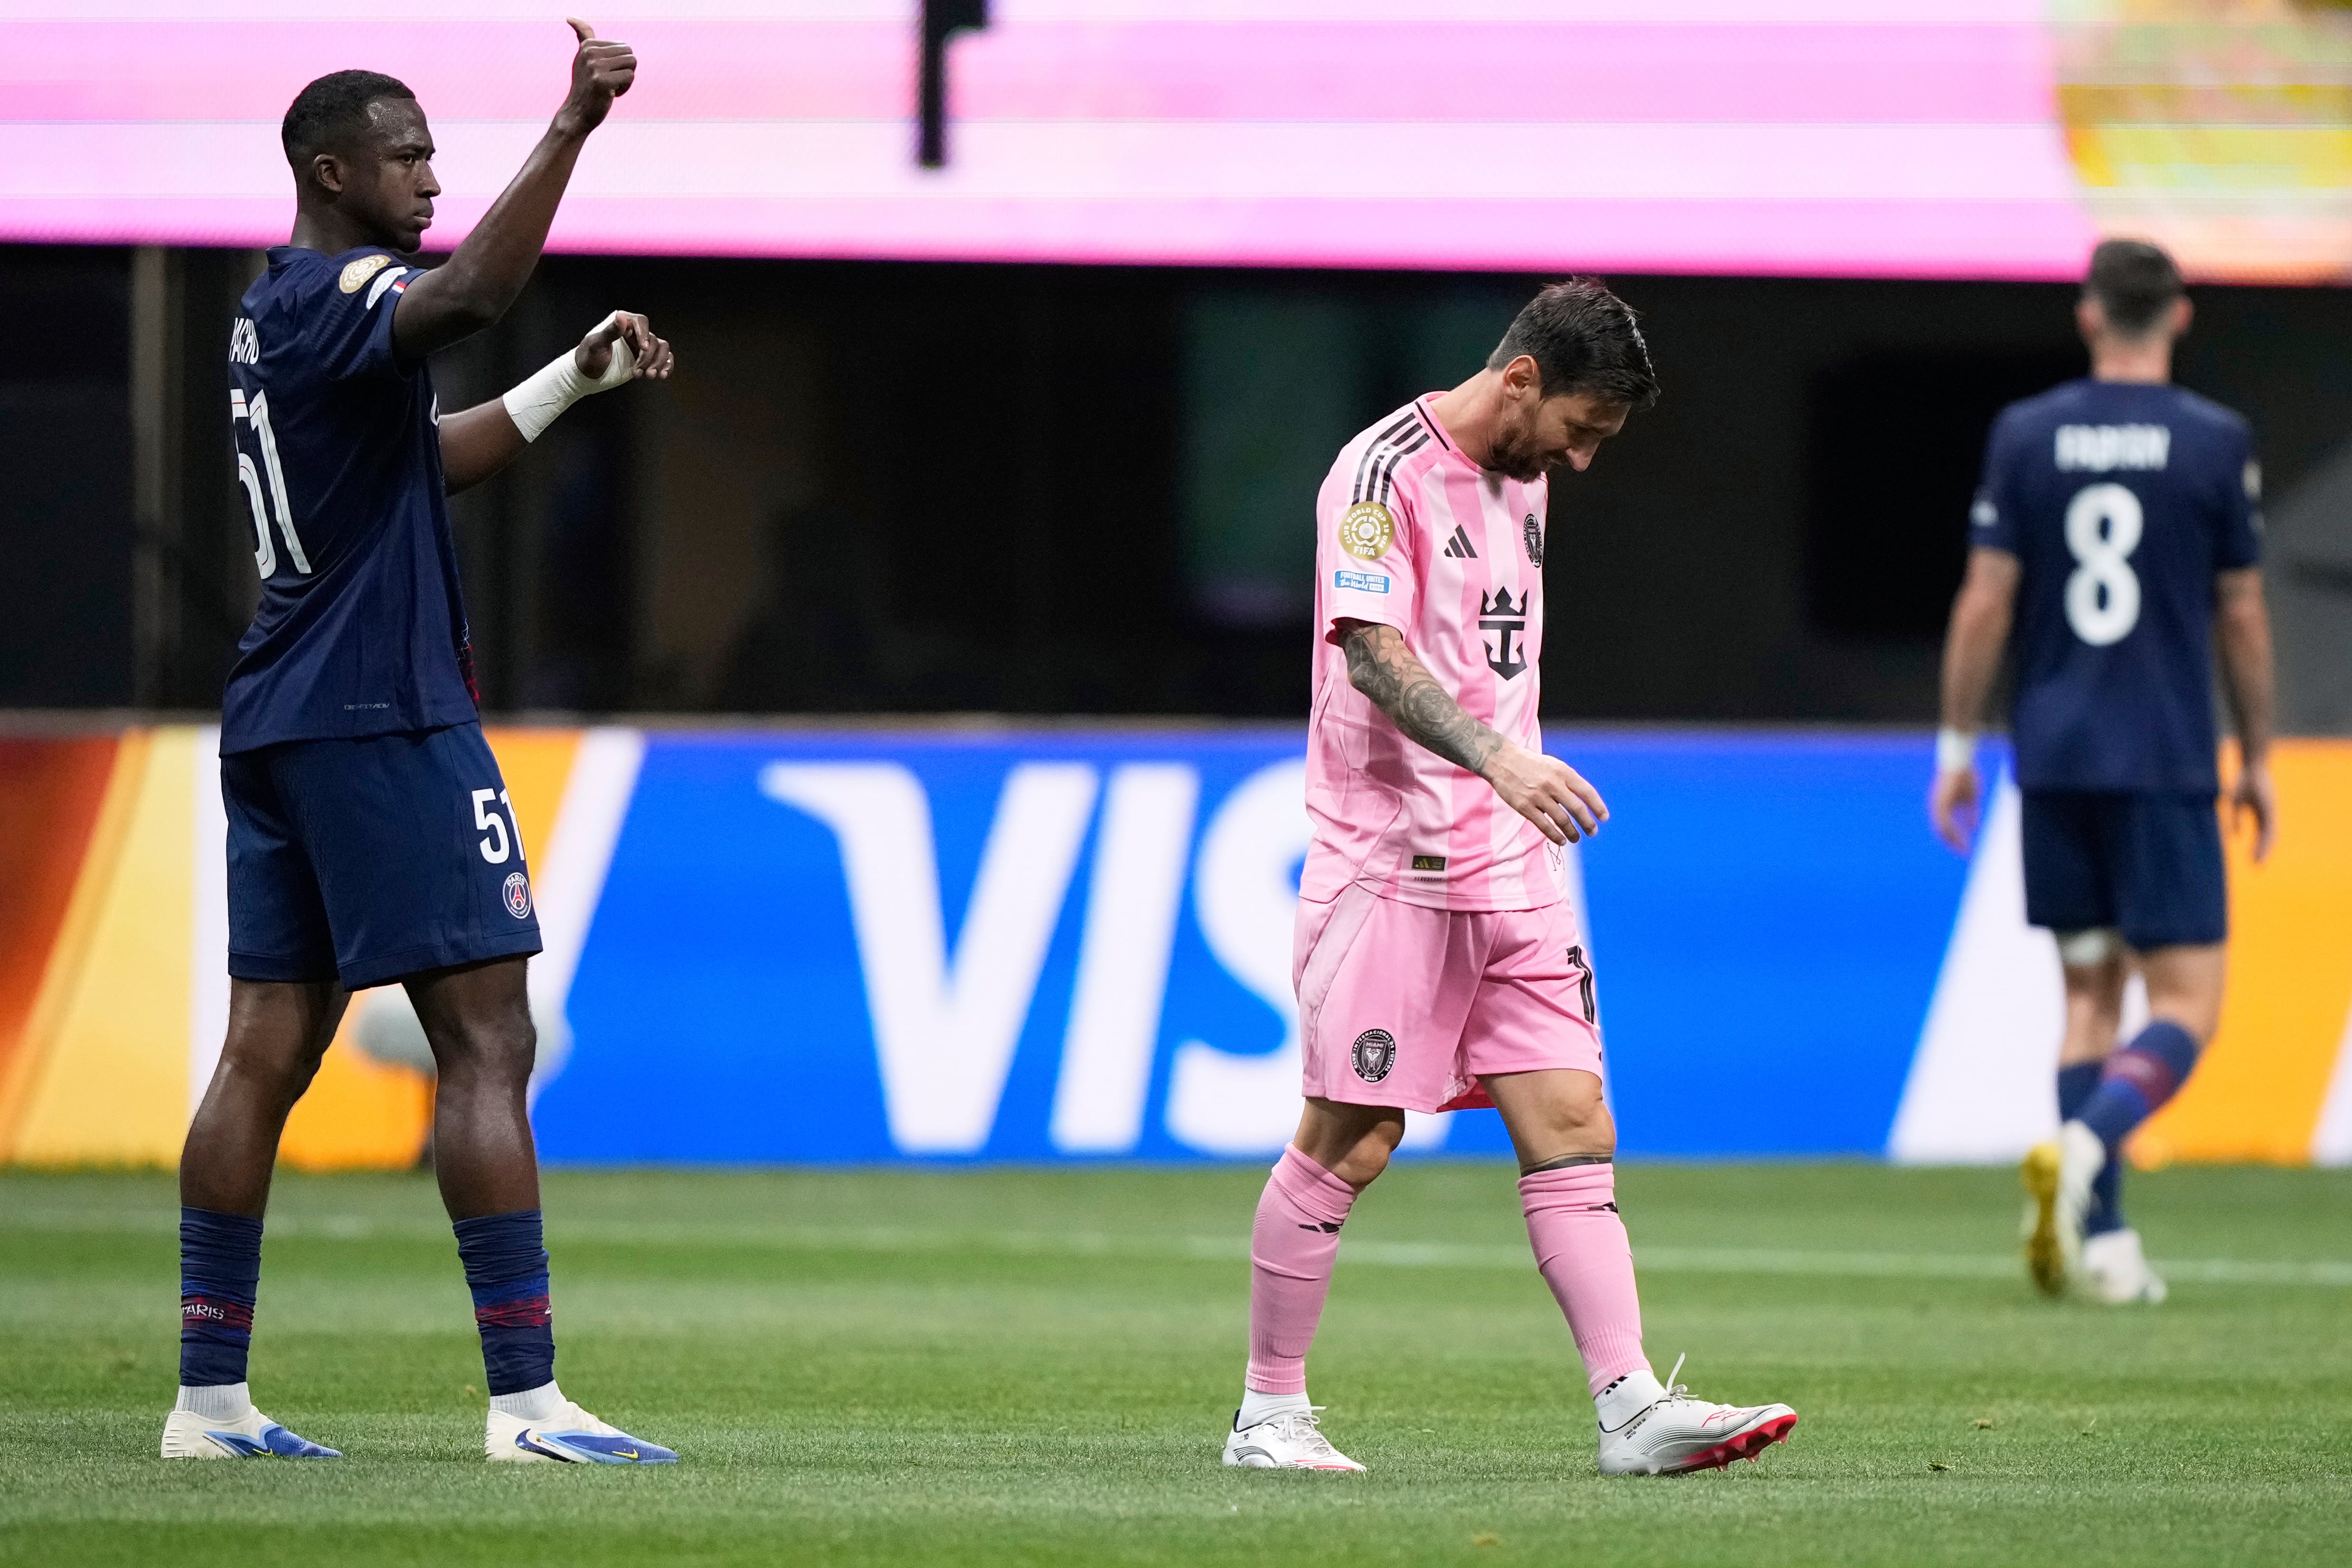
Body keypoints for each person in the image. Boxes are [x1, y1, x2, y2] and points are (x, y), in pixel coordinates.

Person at [165, 23, 680, 1463]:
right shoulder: (352, 288)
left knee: (266, 1043)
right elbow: (475, 290)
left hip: (278, 708)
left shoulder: (278, 308)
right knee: (488, 1035)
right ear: (330, 170)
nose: (430, 173)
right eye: (405, 155)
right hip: (380, 709)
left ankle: (207, 1403)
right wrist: (572, 126)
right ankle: (527, 1405)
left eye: (436, 153)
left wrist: (573, 382)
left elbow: (423, 460)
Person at [1221, 280, 1799, 1477]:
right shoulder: (1377, 473)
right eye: (1580, 430)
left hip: (1514, 867)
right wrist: (1499, 758)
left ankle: (1629, 1408)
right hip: (1391, 859)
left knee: (1575, 1119)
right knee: (1355, 1131)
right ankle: (1267, 1414)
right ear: (1523, 376)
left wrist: (1508, 781)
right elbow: (1372, 655)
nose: (1580, 462)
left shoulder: (1526, 479)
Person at [1931, 238, 2275, 1305]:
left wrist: (1955, 744)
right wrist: (2256, 752)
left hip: (2055, 754)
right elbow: (2241, 611)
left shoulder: (2026, 434)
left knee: (2087, 997)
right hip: (2164, 756)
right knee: (2186, 1003)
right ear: (2175, 316)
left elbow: (1985, 599)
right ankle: (2085, 1148)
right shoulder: (2215, 443)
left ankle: (2108, 1246)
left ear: (2087, 316)